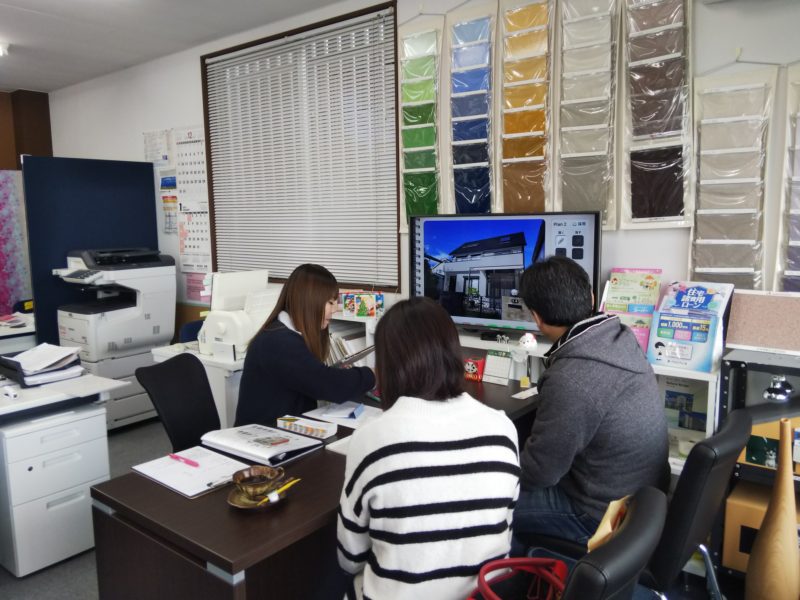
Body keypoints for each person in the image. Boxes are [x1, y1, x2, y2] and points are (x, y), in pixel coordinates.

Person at [337, 297, 521, 600]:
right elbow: (504, 529)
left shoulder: (372, 439)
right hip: (485, 595)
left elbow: (349, 556)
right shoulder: (503, 429)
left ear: (387, 364)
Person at [512, 256, 668, 549]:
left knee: (487, 504)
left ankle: (525, 580)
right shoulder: (619, 338)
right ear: (592, 297)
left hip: (599, 512)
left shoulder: (571, 378)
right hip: (640, 501)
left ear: (536, 317)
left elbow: (540, 473)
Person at [234, 263, 375, 427]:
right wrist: (374, 375)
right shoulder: (279, 342)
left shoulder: (286, 333)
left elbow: (312, 378)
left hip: (285, 427)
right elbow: (329, 385)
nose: (335, 309)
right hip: (260, 437)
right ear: (310, 302)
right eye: (330, 302)